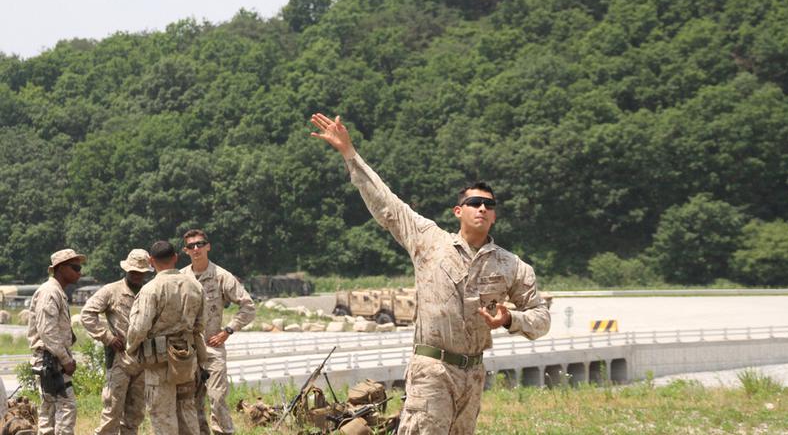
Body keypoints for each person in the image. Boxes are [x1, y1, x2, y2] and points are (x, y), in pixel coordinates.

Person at [310, 113, 551, 434]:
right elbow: (387, 205)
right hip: (432, 369)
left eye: (489, 205)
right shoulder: (429, 241)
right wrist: (349, 154)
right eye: (475, 202)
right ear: (458, 211)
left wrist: (510, 320)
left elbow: (541, 318)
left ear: (494, 216)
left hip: (474, 374)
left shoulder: (511, 265)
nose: (482, 208)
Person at [180, 229, 255, 435]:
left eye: (200, 244)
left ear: (208, 246)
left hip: (213, 348)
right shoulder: (180, 278)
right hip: (187, 350)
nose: (196, 249)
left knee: (218, 398)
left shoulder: (222, 276)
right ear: (186, 251)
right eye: (191, 246)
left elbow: (248, 306)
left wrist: (228, 330)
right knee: (190, 401)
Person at [127, 241, 206, 435]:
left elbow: (139, 327)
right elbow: (201, 325)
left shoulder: (151, 289)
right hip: (186, 359)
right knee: (187, 412)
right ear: (176, 258)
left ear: (151, 261)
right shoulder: (195, 285)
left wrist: (131, 349)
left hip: (159, 363)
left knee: (163, 417)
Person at [80, 249, 154, 435]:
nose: (137, 276)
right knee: (112, 411)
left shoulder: (150, 291)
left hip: (143, 360)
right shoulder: (111, 290)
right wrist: (107, 337)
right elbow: (87, 314)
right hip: (120, 360)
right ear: (127, 270)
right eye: (134, 272)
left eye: (141, 273)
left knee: (135, 414)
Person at [27, 248, 85, 435]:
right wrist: (66, 360)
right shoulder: (50, 292)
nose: (79, 272)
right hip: (51, 361)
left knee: (49, 412)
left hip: (52, 361)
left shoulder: (56, 291)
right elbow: (48, 331)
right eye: (75, 267)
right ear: (60, 268)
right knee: (66, 408)